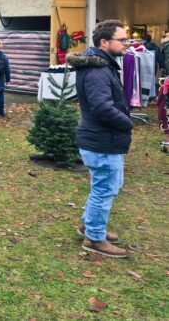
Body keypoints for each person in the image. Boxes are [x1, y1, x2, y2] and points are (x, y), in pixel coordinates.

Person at [66, 19, 134, 258]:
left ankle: (90, 224)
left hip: (102, 139)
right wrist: (127, 122)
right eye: (122, 39)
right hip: (101, 140)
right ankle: (94, 238)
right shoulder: (97, 70)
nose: (126, 43)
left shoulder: (103, 65)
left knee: (104, 186)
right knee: (105, 188)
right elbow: (101, 107)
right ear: (105, 42)